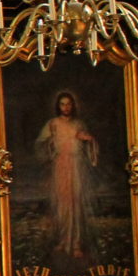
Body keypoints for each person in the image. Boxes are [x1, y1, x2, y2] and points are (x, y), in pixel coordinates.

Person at [36, 91, 101, 264]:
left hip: (76, 166)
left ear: (73, 106)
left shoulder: (78, 124)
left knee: (75, 203)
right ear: (58, 106)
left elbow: (89, 145)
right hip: (60, 166)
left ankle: (76, 244)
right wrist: (51, 146)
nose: (66, 107)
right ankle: (64, 241)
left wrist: (87, 140)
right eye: (63, 104)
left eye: (68, 104)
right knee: (62, 204)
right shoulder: (53, 124)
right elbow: (41, 144)